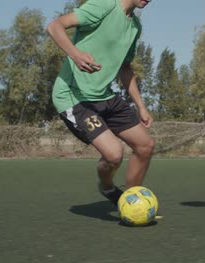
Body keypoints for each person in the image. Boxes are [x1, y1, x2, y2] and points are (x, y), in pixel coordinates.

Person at [46, 0, 155, 206]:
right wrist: (75, 54)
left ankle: (131, 203)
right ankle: (107, 187)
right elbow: (54, 26)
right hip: (74, 97)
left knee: (145, 146)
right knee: (114, 155)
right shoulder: (104, 5)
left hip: (105, 96)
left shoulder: (134, 27)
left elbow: (125, 68)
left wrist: (141, 106)